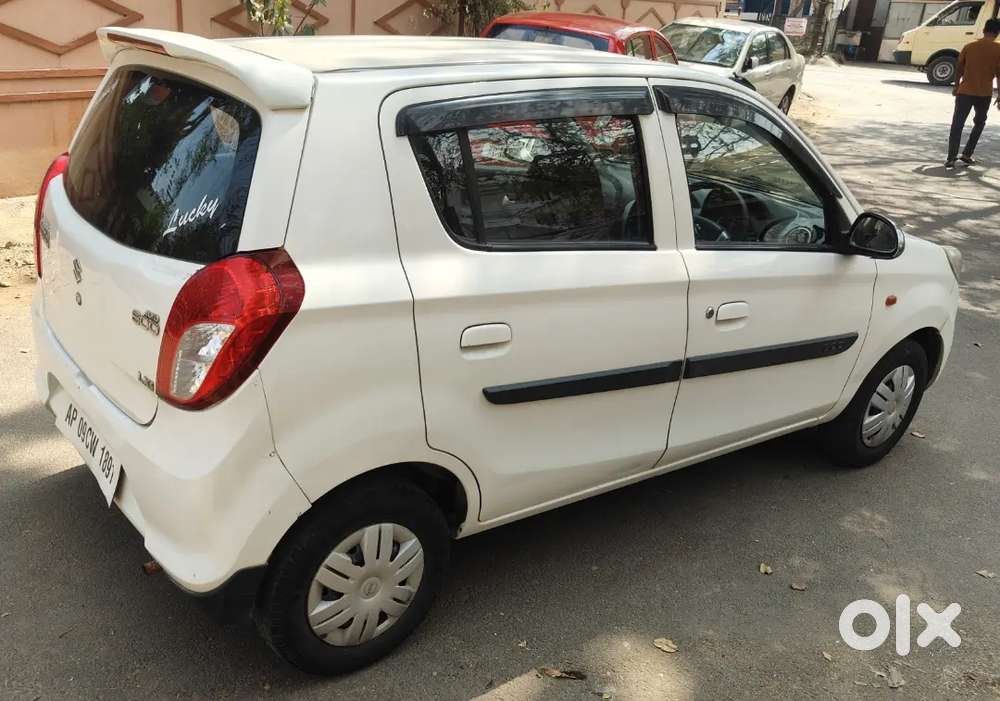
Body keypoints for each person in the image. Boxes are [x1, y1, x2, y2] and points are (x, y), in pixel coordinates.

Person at [946, 18, 1000, 168]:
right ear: (997, 33)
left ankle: (951, 158)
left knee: (957, 124)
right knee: (980, 123)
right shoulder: (998, 50)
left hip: (965, 92)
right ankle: (967, 154)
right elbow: (999, 74)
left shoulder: (969, 47)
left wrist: (956, 86)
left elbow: (959, 69)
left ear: (984, 30)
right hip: (984, 93)